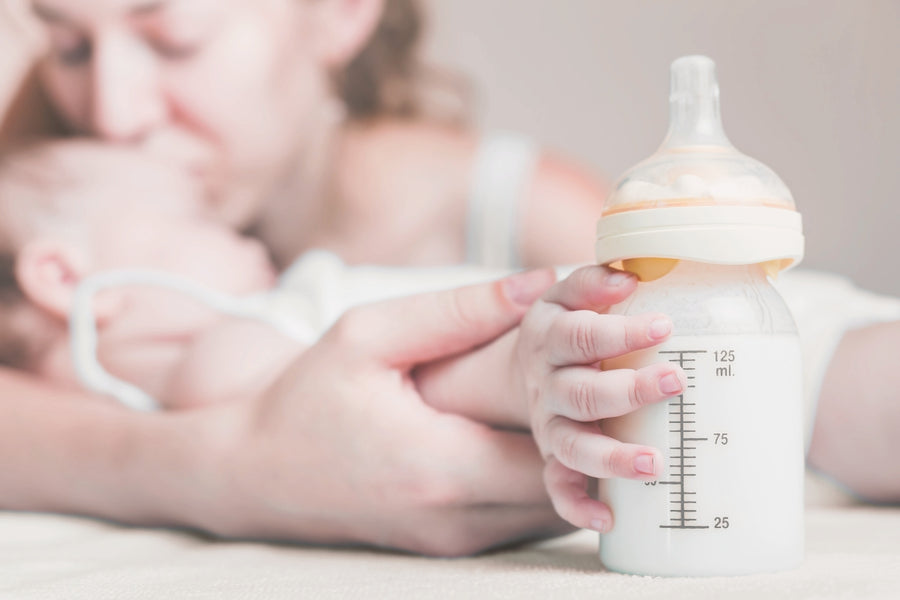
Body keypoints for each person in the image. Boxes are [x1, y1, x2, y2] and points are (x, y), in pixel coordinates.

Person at [0, 0, 897, 556]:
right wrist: (218, 467)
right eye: (69, 49)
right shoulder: (76, 211)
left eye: (175, 36)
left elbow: (662, 337)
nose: (110, 112)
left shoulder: (525, 207)